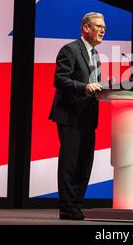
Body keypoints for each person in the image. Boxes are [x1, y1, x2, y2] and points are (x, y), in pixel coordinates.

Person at [49, 12, 106, 220]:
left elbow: (93, 85)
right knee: (70, 163)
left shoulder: (97, 55)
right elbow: (60, 80)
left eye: (104, 28)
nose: (102, 30)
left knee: (85, 162)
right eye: (98, 26)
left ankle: (76, 204)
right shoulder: (70, 50)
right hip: (70, 115)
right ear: (85, 28)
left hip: (88, 117)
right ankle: (66, 207)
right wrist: (86, 87)